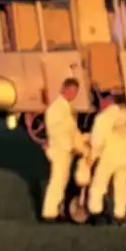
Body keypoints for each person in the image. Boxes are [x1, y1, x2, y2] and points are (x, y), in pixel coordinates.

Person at [86, 91, 126, 223]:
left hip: (108, 156)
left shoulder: (103, 117)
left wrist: (93, 156)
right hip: (125, 158)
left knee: (98, 186)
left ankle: (96, 213)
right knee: (121, 188)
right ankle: (119, 216)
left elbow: (97, 140)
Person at [41, 77, 86, 222]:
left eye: (76, 92)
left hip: (66, 151)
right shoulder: (55, 109)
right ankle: (49, 213)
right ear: (64, 89)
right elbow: (56, 132)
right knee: (57, 180)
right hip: (58, 150)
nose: (73, 94)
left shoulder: (68, 108)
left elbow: (72, 130)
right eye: (71, 91)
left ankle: (56, 210)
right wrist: (71, 147)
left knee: (62, 180)